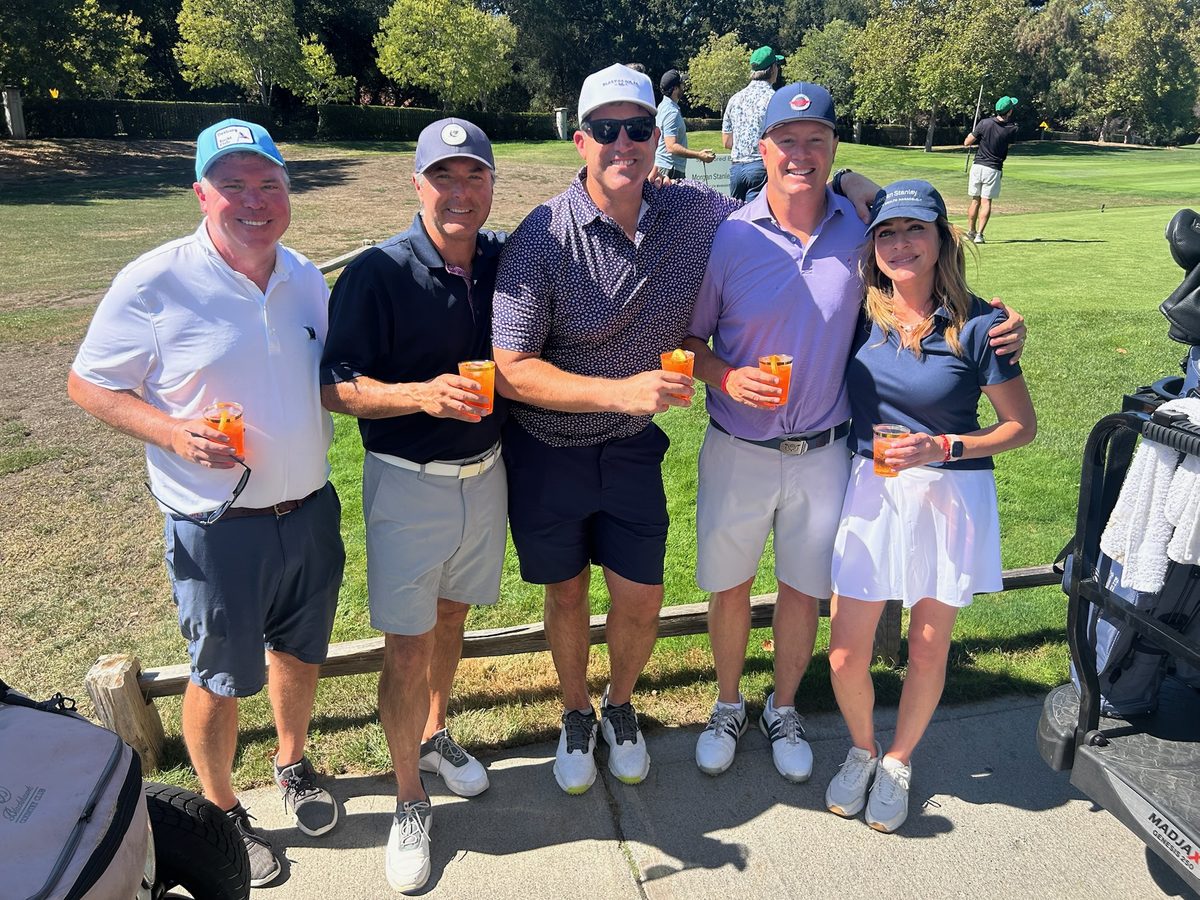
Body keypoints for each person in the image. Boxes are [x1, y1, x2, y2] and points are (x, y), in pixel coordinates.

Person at [682, 85, 1028, 784]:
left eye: (817, 140)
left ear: (835, 147)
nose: (800, 154)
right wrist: (723, 376)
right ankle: (726, 705)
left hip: (825, 450)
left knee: (802, 589)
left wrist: (997, 321)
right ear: (764, 148)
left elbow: (925, 269)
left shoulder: (861, 229)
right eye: (788, 140)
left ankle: (782, 707)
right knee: (730, 584)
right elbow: (691, 339)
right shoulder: (731, 232)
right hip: (737, 442)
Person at [68, 118, 344, 888]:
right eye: (233, 186)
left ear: (288, 192)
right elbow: (87, 383)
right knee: (219, 676)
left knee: (300, 652)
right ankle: (221, 811)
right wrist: (170, 431)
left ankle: (292, 763)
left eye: (269, 184)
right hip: (216, 525)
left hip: (309, 510)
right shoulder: (154, 280)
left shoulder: (304, 276)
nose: (253, 201)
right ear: (201, 193)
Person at [492, 63, 741, 796]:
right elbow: (510, 367)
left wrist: (857, 190)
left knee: (640, 597)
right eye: (607, 130)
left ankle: (621, 706)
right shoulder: (543, 236)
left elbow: (784, 213)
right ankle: (576, 711)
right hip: (547, 453)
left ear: (656, 137)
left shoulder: (694, 212)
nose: (624, 142)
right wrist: (620, 391)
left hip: (633, 452)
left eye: (638, 128)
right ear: (581, 141)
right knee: (566, 593)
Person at [320, 118, 505, 894]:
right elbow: (333, 386)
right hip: (405, 483)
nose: (459, 192)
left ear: (492, 184)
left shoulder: (503, 260)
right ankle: (407, 798)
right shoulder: (377, 272)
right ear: (416, 183)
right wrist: (420, 397)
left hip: (487, 475)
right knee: (405, 644)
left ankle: (435, 734)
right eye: (443, 177)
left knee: (454, 618)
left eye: (473, 177)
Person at [824, 179, 1036, 833]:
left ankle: (898, 760)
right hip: (871, 488)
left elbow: (1019, 427)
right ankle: (862, 748)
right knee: (846, 654)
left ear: (943, 238)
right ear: (874, 245)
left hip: (951, 493)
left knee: (927, 646)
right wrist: (868, 191)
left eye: (916, 228)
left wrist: (943, 446)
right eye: (887, 231)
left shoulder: (981, 324)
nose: (901, 243)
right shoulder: (859, 311)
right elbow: (838, 180)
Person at [722, 45, 783, 201]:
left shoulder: (734, 99)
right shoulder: (774, 99)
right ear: (773, 69)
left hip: (736, 170)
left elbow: (727, 142)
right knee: (757, 222)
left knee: (738, 219)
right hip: (759, 169)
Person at [964, 96, 1020, 244]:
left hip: (977, 166)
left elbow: (967, 142)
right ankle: (979, 235)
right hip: (993, 168)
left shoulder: (984, 123)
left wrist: (977, 133)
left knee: (975, 200)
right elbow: (1007, 147)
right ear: (1009, 112)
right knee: (986, 201)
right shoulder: (1012, 128)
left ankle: (970, 231)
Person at [654, 68, 715, 180]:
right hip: (670, 170)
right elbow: (671, 146)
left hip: (665, 167)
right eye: (681, 84)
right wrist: (699, 155)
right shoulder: (671, 112)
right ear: (675, 89)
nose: (684, 86)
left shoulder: (663, 107)